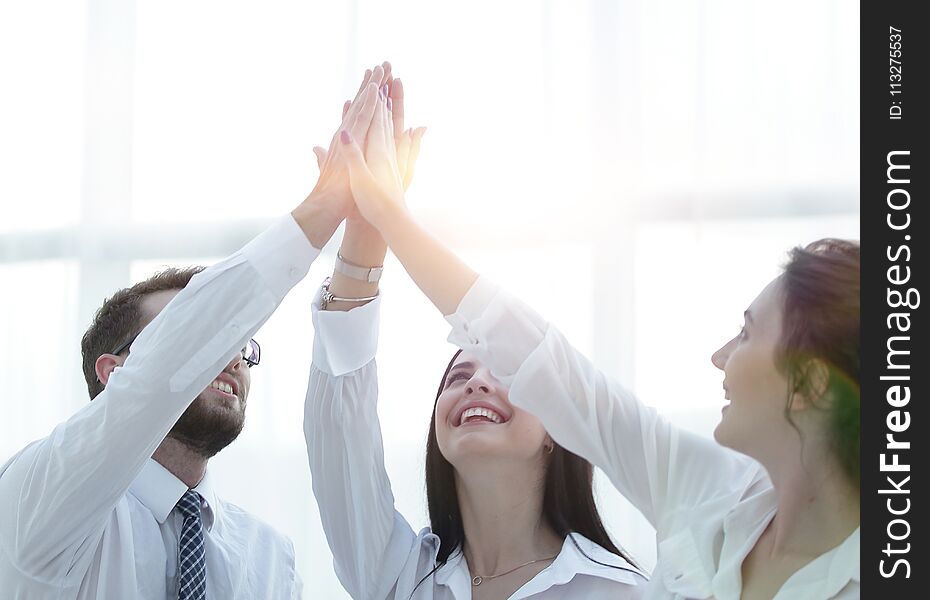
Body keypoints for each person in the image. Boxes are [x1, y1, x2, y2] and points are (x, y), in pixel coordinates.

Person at [336, 88, 861, 599]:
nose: (720, 355)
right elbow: (550, 368)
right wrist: (391, 220)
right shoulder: (712, 494)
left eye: (747, 333)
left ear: (808, 383)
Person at [0, 63, 409, 600]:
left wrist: (367, 240)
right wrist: (324, 205)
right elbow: (157, 381)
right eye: (203, 336)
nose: (233, 355)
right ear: (113, 369)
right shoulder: (42, 496)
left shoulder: (269, 557)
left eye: (239, 343)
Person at [304, 88, 646, 600]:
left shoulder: (621, 592)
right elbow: (340, 430)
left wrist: (394, 219)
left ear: (556, 429)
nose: (476, 384)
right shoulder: (397, 575)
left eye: (504, 374)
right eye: (457, 378)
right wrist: (364, 231)